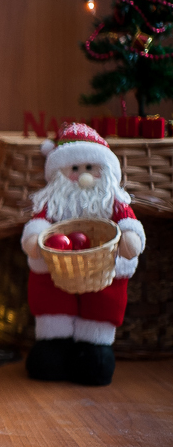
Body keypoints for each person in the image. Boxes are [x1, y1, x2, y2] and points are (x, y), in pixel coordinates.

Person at [20, 122, 146, 385]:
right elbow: (39, 223)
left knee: (104, 301)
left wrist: (130, 239)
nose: (83, 176)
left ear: (105, 170)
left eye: (90, 168)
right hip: (57, 264)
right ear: (59, 172)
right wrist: (35, 239)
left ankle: (95, 348)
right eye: (74, 169)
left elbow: (128, 223)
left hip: (102, 266)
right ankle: (53, 345)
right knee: (51, 297)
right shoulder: (51, 201)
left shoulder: (113, 200)